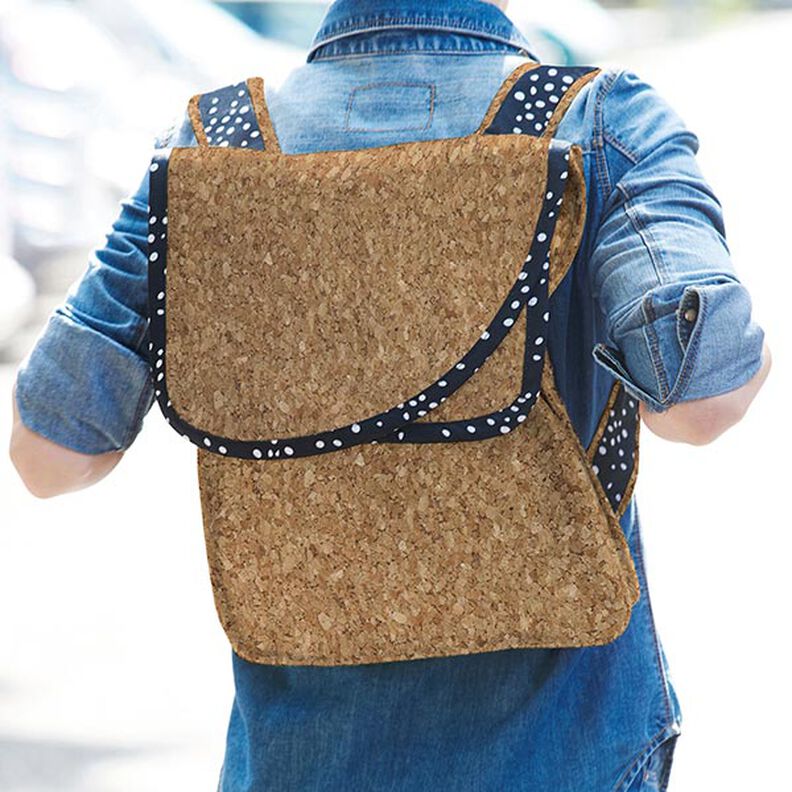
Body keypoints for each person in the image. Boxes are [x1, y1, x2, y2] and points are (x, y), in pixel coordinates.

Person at [8, 0, 771, 789]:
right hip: (563, 752)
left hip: (298, 764)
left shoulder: (212, 144)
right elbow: (699, 404)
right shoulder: (599, 121)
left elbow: (49, 458)